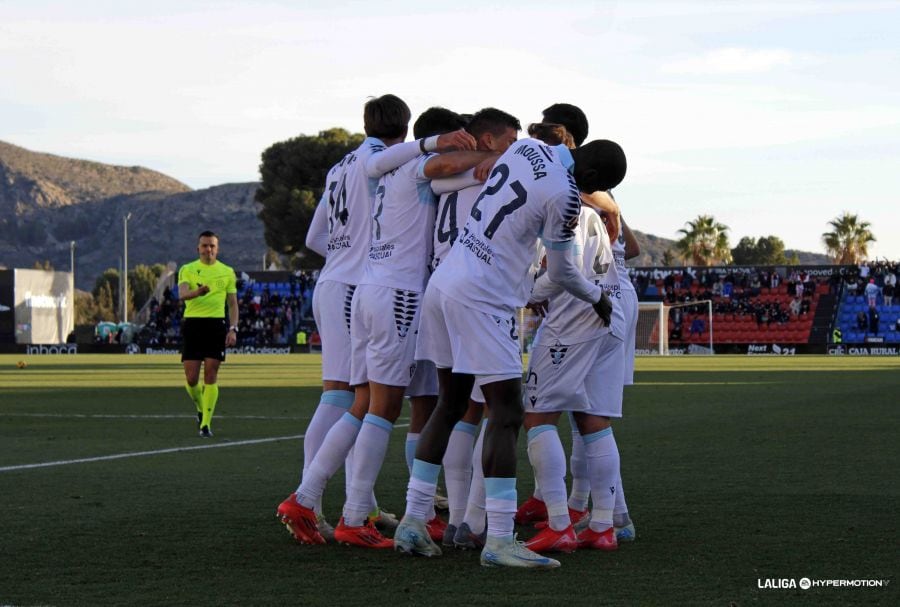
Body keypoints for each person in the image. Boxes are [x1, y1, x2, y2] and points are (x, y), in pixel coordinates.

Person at [393, 135, 626, 569]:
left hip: (444, 283)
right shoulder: (567, 195)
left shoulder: (526, 147)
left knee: (450, 402)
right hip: (483, 296)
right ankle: (499, 538)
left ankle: (412, 519)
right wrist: (596, 296)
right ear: (591, 177)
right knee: (506, 413)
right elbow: (560, 272)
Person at [276, 95, 476, 545]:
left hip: (340, 280)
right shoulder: (390, 162)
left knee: (348, 397)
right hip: (378, 285)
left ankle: (343, 505)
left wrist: (351, 257)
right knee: (362, 402)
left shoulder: (341, 165)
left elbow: (314, 236)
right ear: (406, 128)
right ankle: (332, 507)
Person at [178, 230, 238, 438]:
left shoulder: (227, 272)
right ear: (198, 248)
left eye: (212, 246)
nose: (208, 249)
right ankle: (200, 407)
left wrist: (233, 328)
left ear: (217, 248)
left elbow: (232, 304)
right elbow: (182, 295)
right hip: (193, 324)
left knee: (211, 375)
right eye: (204, 245)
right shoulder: (187, 269)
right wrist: (198, 292)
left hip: (216, 325)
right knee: (191, 378)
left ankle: (205, 425)